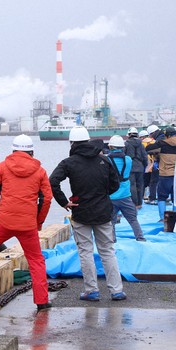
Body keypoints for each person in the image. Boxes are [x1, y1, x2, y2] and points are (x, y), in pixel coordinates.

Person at [0, 134, 53, 312]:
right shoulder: (40, 171)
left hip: (5, 221)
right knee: (36, 260)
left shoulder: (2, 167)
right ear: (32, 151)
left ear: (13, 150)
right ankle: (42, 301)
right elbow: (46, 199)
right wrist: (38, 222)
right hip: (28, 225)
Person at [49, 126, 125, 302]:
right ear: (89, 140)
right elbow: (115, 185)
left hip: (81, 211)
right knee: (108, 251)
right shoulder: (104, 160)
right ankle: (117, 291)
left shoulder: (69, 162)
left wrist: (64, 202)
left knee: (85, 252)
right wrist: (102, 195)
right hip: (104, 212)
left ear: (72, 142)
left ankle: (92, 290)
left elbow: (52, 181)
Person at [106, 135, 145, 242]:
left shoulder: (106, 160)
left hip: (111, 196)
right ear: (123, 147)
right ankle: (140, 238)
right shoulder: (128, 160)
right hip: (125, 195)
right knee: (133, 219)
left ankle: (112, 240)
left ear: (110, 147)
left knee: (111, 221)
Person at [145, 126, 176, 222]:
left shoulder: (162, 144)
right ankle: (175, 218)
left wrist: (157, 153)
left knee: (162, 197)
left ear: (166, 135)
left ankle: (163, 218)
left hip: (165, 174)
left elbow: (148, 148)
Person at [123, 127, 148, 210]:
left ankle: (134, 203)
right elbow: (145, 156)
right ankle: (140, 203)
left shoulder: (126, 144)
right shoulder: (141, 144)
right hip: (140, 167)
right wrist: (145, 165)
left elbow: (123, 156)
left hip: (130, 167)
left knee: (132, 185)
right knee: (140, 185)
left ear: (129, 135)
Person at [144, 124, 161, 207]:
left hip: (158, 163)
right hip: (162, 164)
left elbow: (158, 150)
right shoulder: (161, 138)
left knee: (153, 182)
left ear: (154, 132)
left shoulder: (159, 140)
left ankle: (153, 198)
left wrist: (148, 151)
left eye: (150, 134)